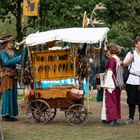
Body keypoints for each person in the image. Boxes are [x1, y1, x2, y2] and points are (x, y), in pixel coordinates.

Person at [0, 35, 21, 121]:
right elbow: (6, 62)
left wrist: (23, 55)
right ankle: (6, 116)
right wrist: (18, 58)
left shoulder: (12, 52)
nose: (11, 44)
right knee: (7, 95)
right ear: (6, 44)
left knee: (13, 95)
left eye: (11, 42)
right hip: (6, 76)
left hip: (13, 75)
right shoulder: (3, 52)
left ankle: (11, 115)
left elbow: (18, 59)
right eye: (10, 42)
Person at [101, 43, 121, 126]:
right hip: (116, 82)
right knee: (115, 101)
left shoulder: (112, 59)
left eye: (107, 50)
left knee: (111, 102)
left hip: (111, 83)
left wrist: (106, 84)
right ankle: (115, 119)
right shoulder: (117, 58)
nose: (107, 52)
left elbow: (110, 71)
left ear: (110, 50)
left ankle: (112, 120)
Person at [123, 36, 140, 124]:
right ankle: (131, 117)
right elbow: (124, 64)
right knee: (131, 100)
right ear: (136, 44)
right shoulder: (131, 53)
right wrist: (130, 58)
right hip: (132, 79)